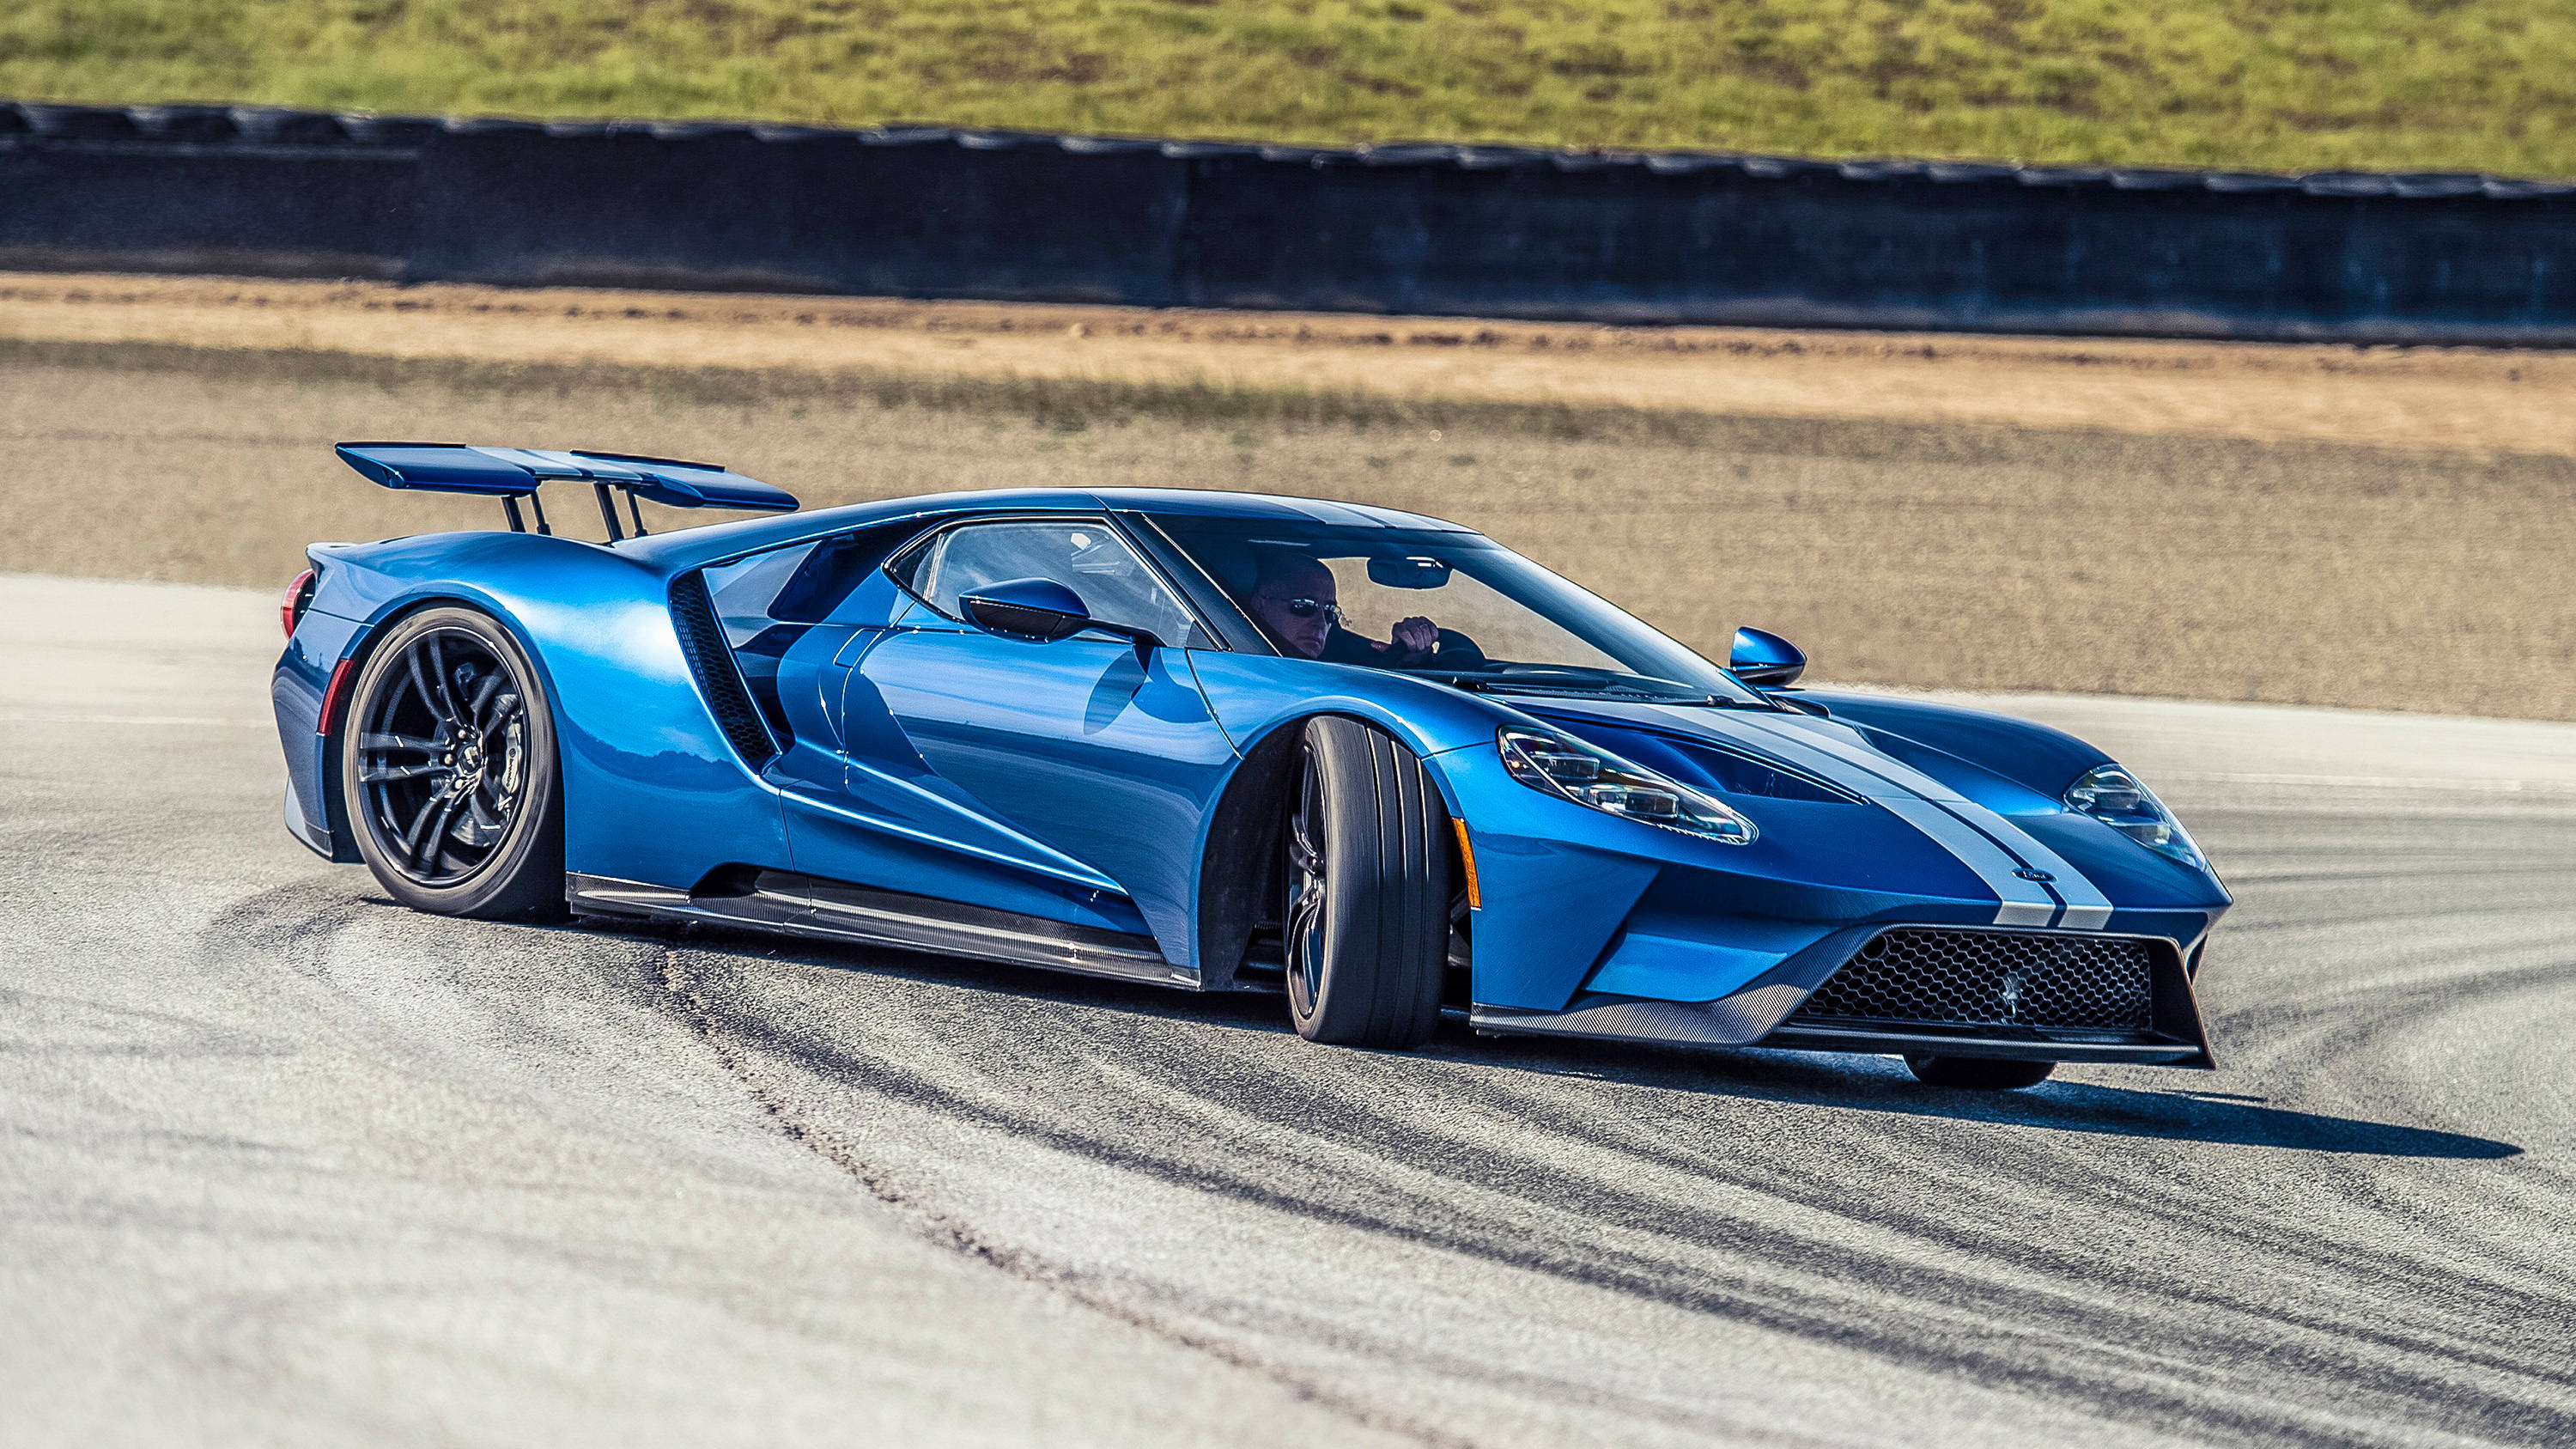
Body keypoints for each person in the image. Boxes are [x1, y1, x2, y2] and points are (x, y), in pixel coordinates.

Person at [1242, 551, 1440, 667]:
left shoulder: (1341, 662)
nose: (1320, 623)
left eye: (1330, 612)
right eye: (1304, 606)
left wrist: (1414, 654)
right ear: (1260, 604)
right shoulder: (1240, 664)